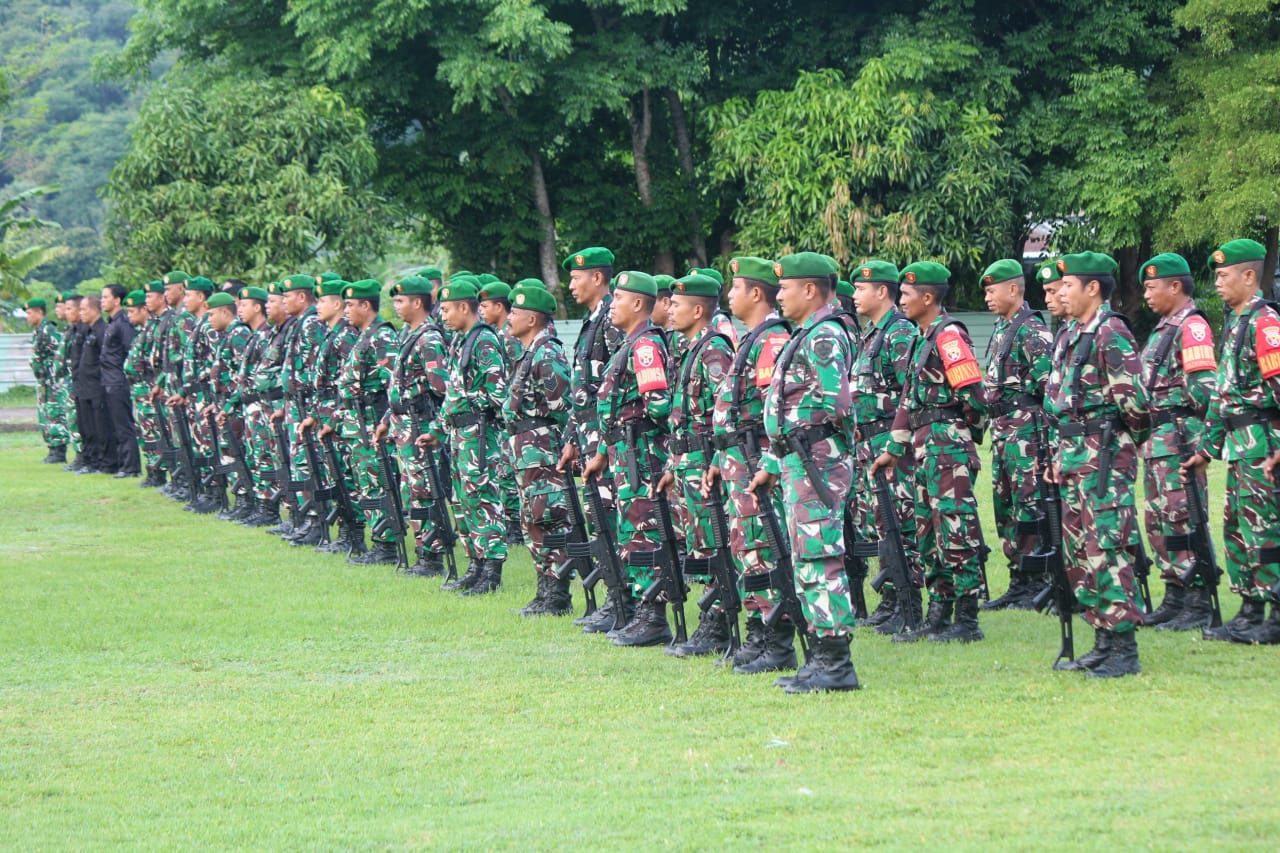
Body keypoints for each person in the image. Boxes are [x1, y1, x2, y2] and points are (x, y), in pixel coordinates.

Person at [747, 252, 859, 692]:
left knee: (820, 557)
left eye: (786, 288)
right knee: (806, 558)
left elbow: (839, 404)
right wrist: (775, 460)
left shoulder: (824, 335)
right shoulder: (807, 334)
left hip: (817, 465)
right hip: (799, 460)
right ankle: (819, 656)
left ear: (810, 290)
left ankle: (835, 663)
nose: (780, 296)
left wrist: (811, 446)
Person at [872, 261, 988, 644]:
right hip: (924, 446)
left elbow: (973, 394)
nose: (900, 300)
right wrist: (895, 446)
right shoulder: (924, 337)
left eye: (906, 295)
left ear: (927, 297)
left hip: (946, 443)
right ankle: (939, 611)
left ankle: (966, 617)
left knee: (956, 527)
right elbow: (909, 399)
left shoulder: (949, 336)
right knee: (927, 529)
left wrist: (962, 431)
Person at [1045, 252, 1149, 677]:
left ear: (1092, 288)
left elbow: (1137, 405)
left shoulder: (1111, 332)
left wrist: (1120, 445)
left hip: (1103, 456)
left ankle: (1123, 647)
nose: (1061, 292)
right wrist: (1059, 453)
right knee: (1079, 551)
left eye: (1068, 285)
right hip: (1073, 456)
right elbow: (1062, 403)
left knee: (1107, 546)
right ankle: (1103, 637)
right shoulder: (1073, 333)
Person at [1188, 239, 1280, 644]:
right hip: (1240, 447)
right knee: (1239, 528)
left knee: (1267, 529)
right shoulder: (1236, 322)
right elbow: (1223, 396)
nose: (1218, 284)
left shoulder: (1266, 323)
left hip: (1263, 444)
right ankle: (1249, 609)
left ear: (1249, 276)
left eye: (1224, 276)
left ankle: (1276, 614)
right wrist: (1207, 449)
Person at [706, 257, 796, 673]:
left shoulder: (771, 340)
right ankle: (760, 629)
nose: (728, 296)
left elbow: (771, 408)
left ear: (756, 294)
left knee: (763, 546)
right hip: (735, 459)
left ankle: (778, 639)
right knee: (747, 547)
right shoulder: (751, 338)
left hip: (753, 458)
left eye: (735, 287)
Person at [580, 271, 674, 646]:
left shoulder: (645, 346)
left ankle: (654, 617)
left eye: (618, 298)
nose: (612, 304)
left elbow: (659, 406)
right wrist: (604, 451)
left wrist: (642, 440)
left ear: (638, 304)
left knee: (645, 533)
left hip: (640, 454)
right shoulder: (629, 344)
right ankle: (639, 610)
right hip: (623, 453)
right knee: (629, 534)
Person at [1137, 253, 1218, 631]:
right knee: (1160, 522)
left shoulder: (1191, 326)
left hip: (1180, 442)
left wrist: (1205, 443)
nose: (1147, 295)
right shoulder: (1163, 327)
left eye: (1152, 287)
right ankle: (1174, 593)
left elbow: (1204, 390)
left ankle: (1198, 598)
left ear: (1175, 286)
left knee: (1184, 519)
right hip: (1158, 443)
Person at [658, 272, 736, 657]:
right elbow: (685, 415)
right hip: (688, 463)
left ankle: (719, 622)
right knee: (700, 544)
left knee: (714, 542)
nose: (670, 310)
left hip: (706, 464)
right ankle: (712, 619)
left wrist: (718, 460)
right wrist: (674, 463)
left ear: (699, 309)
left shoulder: (714, 350)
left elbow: (723, 414)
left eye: (677, 304)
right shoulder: (692, 348)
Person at [420, 278, 510, 589]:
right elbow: (453, 393)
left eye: (446, 310)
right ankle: (475, 562)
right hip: (461, 434)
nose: (442, 316)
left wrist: (467, 401)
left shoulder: (484, 341)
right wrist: (438, 430)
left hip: (479, 433)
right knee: (462, 500)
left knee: (482, 498)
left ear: (463, 307)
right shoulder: (462, 340)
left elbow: (499, 394)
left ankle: (492, 570)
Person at [849, 260, 923, 635]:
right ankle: (892, 596)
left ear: (882, 292)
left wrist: (897, 441)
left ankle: (909, 600)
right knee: (881, 524)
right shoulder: (870, 334)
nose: (855, 295)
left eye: (862, 289)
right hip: (868, 444)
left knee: (901, 522)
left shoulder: (898, 333)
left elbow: (910, 393)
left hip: (891, 444)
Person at [556, 247, 627, 633]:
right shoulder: (592, 322)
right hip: (588, 441)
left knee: (615, 525)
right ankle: (614, 600)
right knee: (600, 524)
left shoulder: (612, 321)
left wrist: (601, 447)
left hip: (608, 446)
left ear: (597, 278)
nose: (570, 284)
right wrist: (571, 438)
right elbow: (583, 391)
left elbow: (617, 389)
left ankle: (623, 602)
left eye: (576, 277)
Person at [979, 260, 1053, 610]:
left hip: (1027, 434)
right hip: (1004, 433)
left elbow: (1048, 390)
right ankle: (1018, 578)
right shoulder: (1001, 328)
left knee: (1030, 505)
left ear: (1013, 290)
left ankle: (1037, 578)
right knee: (1005, 506)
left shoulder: (1032, 330)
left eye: (992, 290)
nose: (987, 297)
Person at [502, 283, 575, 614]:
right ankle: (544, 589)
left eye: (515, 313)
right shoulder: (528, 352)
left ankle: (558, 593)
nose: (508, 318)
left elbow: (562, 406)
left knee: (549, 518)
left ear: (532, 318)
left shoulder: (547, 353)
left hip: (542, 449)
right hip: (525, 450)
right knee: (532, 519)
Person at [374, 276, 450, 576]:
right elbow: (398, 386)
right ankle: (423, 551)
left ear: (418, 302)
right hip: (403, 425)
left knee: (424, 490)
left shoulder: (429, 338)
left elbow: (442, 388)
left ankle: (432, 555)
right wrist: (385, 422)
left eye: (400, 301)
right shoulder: (410, 334)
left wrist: (435, 427)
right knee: (412, 490)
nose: (396, 306)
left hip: (420, 427)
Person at [332, 279, 402, 565]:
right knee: (365, 486)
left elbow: (393, 386)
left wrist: (385, 422)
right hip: (356, 424)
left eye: (350, 305)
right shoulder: (363, 335)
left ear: (365, 305)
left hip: (371, 424)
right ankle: (376, 540)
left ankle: (386, 546)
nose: (345, 310)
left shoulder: (381, 337)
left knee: (376, 485)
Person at [304, 277, 365, 554]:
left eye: (322, 300)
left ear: (337, 304)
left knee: (349, 479)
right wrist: (318, 416)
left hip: (343, 422)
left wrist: (332, 419)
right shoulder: (332, 334)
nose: (317, 306)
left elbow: (349, 385)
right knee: (338, 478)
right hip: (331, 421)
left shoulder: (346, 336)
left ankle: (355, 535)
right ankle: (346, 532)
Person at [275, 275, 329, 545]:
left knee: (309, 464)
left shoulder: (310, 324)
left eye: (288, 296)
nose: (284, 301)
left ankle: (317, 520)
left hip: (306, 403)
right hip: (295, 404)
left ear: (301, 297)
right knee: (299, 464)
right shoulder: (299, 323)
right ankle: (305, 518)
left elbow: (316, 368)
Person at [478, 280, 525, 546]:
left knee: (508, 471)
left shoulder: (509, 337)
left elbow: (515, 377)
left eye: (485, 306)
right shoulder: (498, 334)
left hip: (509, 414)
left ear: (499, 306)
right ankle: (512, 524)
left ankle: (515, 526)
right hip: (504, 416)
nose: (482, 311)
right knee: (505, 470)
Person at [101, 284, 140, 477]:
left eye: (106, 297)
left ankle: (131, 467)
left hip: (118, 380)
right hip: (109, 380)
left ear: (117, 300)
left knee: (124, 425)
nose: (102, 301)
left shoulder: (123, 323)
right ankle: (122, 464)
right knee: (116, 425)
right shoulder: (112, 322)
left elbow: (130, 350)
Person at [24, 298, 67, 463]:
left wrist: (54, 374)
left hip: (52, 382)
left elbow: (60, 354)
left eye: (29, 313)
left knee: (54, 413)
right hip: (43, 382)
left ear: (39, 313)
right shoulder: (38, 331)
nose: (27, 317)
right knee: (45, 415)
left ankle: (59, 450)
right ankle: (52, 448)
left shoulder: (48, 330)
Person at [75, 295, 114, 474]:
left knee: (101, 427)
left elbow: (103, 361)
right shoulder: (88, 330)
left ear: (94, 310)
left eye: (83, 309)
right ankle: (91, 461)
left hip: (97, 387)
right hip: (85, 387)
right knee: (87, 427)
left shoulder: (101, 330)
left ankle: (105, 463)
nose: (80, 313)